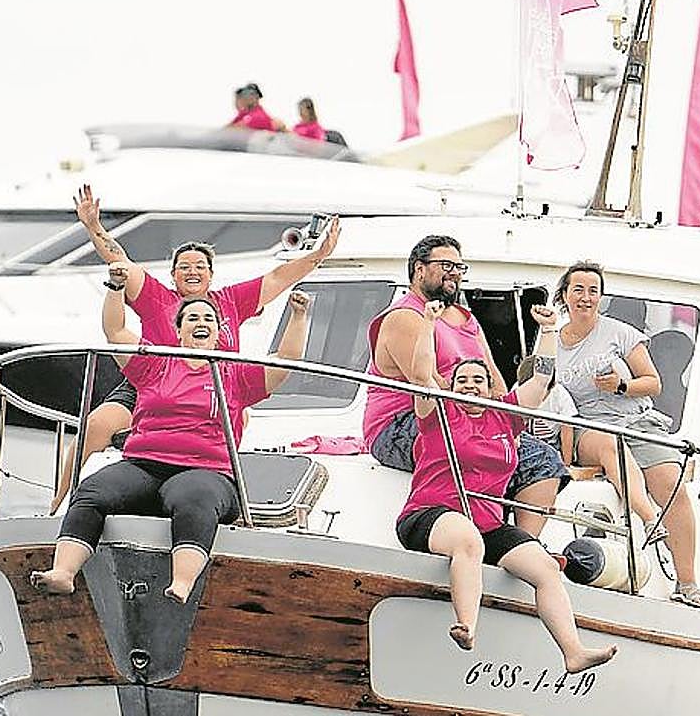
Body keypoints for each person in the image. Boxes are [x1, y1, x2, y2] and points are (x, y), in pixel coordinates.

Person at [49, 184, 338, 512]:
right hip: (151, 384)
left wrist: (317, 255)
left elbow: (277, 278)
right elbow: (120, 261)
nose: (192, 271)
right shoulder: (158, 298)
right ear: (173, 276)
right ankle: (59, 504)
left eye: (200, 266)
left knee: (239, 417)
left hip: (217, 389)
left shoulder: (230, 301)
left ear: (211, 275)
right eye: (184, 267)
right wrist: (93, 226)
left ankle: (226, 498)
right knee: (97, 424)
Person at [32, 266, 313, 603]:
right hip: (144, 465)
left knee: (195, 499)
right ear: (178, 331)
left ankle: (181, 583)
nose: (201, 322)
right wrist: (116, 287)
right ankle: (63, 573)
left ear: (220, 331)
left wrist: (298, 316)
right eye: (192, 318)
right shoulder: (156, 365)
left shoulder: (236, 375)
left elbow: (287, 361)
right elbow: (116, 330)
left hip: (206, 470)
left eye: (209, 318)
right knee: (93, 490)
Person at [397, 299, 617, 672]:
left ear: (489, 389)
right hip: (429, 514)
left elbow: (542, 379)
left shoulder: (505, 418)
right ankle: (466, 626)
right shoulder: (440, 413)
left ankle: (573, 651)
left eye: (477, 381)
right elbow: (421, 375)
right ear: (451, 387)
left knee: (544, 567)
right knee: (468, 541)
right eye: (461, 381)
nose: (469, 386)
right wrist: (429, 324)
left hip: (488, 522)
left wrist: (548, 331)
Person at [362, 235, 570, 535]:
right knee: (500, 453)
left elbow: (494, 379)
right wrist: (492, 430)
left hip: (468, 414)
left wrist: (508, 427)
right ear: (419, 269)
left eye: (460, 267)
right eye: (446, 265)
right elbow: (430, 383)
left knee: (543, 460)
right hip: (406, 422)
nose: (455, 273)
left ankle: (522, 543)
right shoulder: (404, 317)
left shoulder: (466, 318)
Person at [553, 261, 700, 609]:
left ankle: (687, 582)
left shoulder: (620, 333)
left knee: (672, 484)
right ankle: (647, 518)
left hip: (636, 422)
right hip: (586, 426)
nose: (586, 297)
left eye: (594, 290)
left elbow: (652, 383)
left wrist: (621, 386)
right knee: (611, 447)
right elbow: (550, 397)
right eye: (578, 289)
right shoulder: (551, 341)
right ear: (564, 295)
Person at [515, 356, 670, 546]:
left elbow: (567, 428)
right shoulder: (518, 392)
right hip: (527, 449)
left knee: (611, 446)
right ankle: (526, 544)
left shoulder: (559, 395)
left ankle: (650, 519)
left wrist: (566, 463)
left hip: (554, 451)